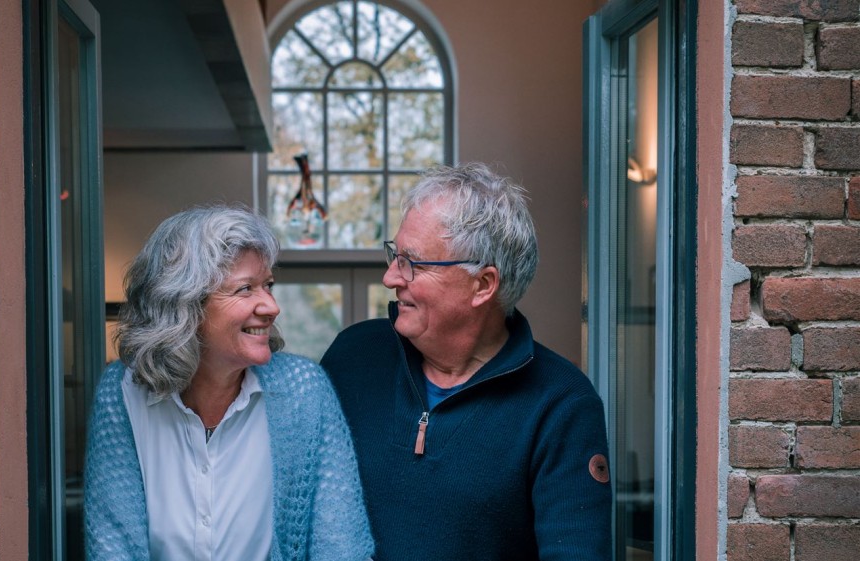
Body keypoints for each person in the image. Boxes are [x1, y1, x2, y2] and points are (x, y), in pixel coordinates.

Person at [321, 163, 612, 560]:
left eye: (413, 262)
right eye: (395, 254)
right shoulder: (352, 358)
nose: (391, 277)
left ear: (483, 285)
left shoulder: (562, 405)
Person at [84, 204, 373, 561]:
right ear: (186, 305)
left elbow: (339, 547)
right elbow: (113, 547)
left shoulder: (303, 391)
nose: (270, 305)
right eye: (245, 289)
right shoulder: (123, 393)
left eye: (267, 285)